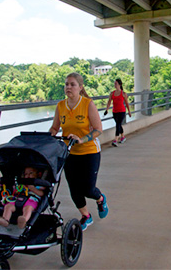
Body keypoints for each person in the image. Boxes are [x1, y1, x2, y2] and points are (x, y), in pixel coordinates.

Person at [49, 72, 108, 231]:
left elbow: (98, 130)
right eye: (66, 84)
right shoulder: (61, 106)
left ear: (80, 87)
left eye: (72, 84)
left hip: (89, 152)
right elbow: (55, 127)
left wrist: (82, 139)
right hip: (69, 153)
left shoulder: (88, 104)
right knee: (74, 189)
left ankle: (100, 199)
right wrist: (51, 134)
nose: (68, 87)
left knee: (88, 189)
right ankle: (86, 216)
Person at [103, 78, 131, 147]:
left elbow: (127, 103)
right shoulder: (112, 93)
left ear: (119, 84)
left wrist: (129, 112)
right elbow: (109, 102)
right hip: (115, 111)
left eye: (116, 83)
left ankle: (115, 140)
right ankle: (123, 137)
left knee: (118, 124)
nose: (114, 85)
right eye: (114, 83)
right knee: (118, 124)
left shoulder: (123, 94)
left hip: (122, 111)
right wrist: (107, 109)